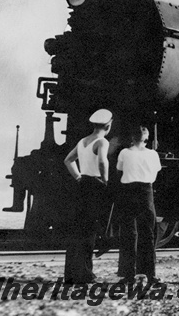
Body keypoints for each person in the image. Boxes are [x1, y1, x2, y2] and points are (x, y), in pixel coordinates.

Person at [63, 109, 112, 283]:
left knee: (77, 229)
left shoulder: (82, 141)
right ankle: (85, 274)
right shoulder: (102, 141)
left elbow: (68, 160)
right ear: (108, 125)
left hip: (82, 184)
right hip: (95, 186)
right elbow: (101, 161)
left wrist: (78, 176)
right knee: (90, 231)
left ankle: (70, 275)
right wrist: (105, 180)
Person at [116, 125, 162, 283]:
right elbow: (155, 175)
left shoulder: (124, 153)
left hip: (128, 192)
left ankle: (128, 274)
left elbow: (119, 169)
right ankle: (150, 274)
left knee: (129, 233)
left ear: (132, 138)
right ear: (147, 139)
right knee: (148, 233)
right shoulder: (153, 154)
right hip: (145, 192)